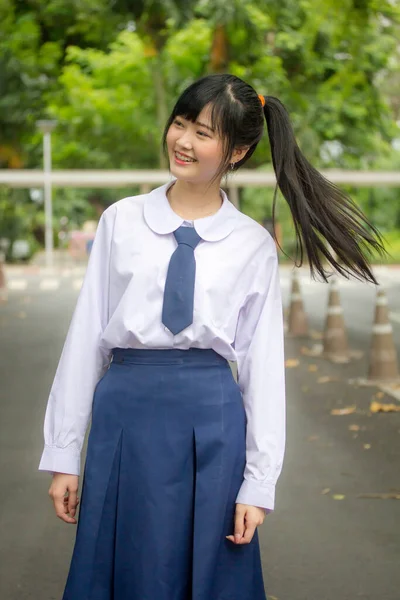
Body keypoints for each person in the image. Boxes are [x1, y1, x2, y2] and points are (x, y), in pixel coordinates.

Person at [38, 73, 383, 600]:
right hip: (124, 415)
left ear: (238, 151)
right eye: (180, 124)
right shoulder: (121, 221)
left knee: (208, 576)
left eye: (204, 132)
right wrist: (63, 452)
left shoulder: (251, 244)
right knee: (121, 566)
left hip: (212, 423)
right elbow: (86, 338)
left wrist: (259, 482)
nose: (183, 141)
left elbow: (262, 368)